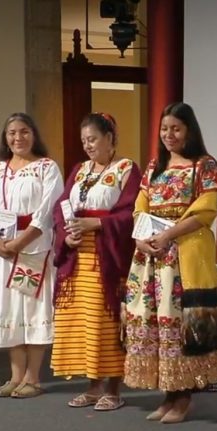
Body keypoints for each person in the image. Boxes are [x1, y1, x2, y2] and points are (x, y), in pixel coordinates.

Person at [123, 102, 217, 424]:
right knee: (156, 325)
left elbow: (206, 210)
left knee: (180, 326)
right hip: (152, 258)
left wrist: (169, 233)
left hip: (183, 255)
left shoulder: (205, 165)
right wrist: (141, 238)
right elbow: (139, 207)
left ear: (189, 131)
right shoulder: (156, 165)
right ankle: (167, 394)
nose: (169, 135)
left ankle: (183, 397)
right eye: (165, 129)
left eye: (176, 129)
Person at [51, 112, 142, 411]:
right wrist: (66, 236)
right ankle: (92, 387)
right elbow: (62, 207)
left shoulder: (127, 169)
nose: (87, 146)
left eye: (92, 139)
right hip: (79, 256)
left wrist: (98, 225)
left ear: (110, 138)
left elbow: (132, 213)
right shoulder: (80, 170)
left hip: (107, 255)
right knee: (82, 322)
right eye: (83, 141)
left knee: (106, 320)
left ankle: (113, 388)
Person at [0, 113, 63, 399]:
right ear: (5, 138)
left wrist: (19, 242)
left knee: (32, 310)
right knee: (9, 310)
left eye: (24, 131)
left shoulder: (46, 168)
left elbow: (47, 211)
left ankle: (33, 378)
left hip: (32, 249)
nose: (18, 138)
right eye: (12, 132)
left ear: (34, 134)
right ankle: (15, 377)